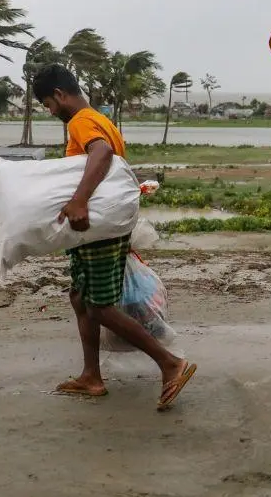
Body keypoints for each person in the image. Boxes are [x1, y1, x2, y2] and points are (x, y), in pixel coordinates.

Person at [33, 63, 197, 410]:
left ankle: (171, 363)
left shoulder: (81, 121)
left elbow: (102, 153)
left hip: (98, 227)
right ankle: (91, 376)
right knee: (80, 297)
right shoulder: (97, 118)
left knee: (99, 306)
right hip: (97, 227)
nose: (50, 111)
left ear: (60, 95)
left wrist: (78, 200)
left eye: (48, 103)